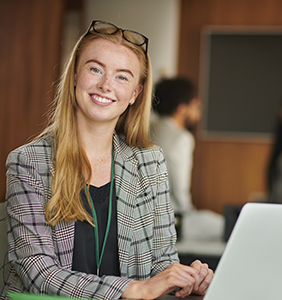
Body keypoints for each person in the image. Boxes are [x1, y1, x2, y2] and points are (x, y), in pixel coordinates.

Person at [1, 21, 213, 300]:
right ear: (76, 74)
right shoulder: (28, 161)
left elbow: (161, 262)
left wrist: (182, 278)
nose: (105, 85)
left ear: (135, 94)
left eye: (122, 77)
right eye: (95, 69)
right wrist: (132, 288)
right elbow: (38, 271)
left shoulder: (150, 162)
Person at [150, 77, 224, 241]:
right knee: (225, 225)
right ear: (182, 108)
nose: (199, 112)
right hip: (171, 219)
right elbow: (179, 187)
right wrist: (188, 212)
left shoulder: (146, 129)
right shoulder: (181, 137)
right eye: (197, 106)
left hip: (143, 215)